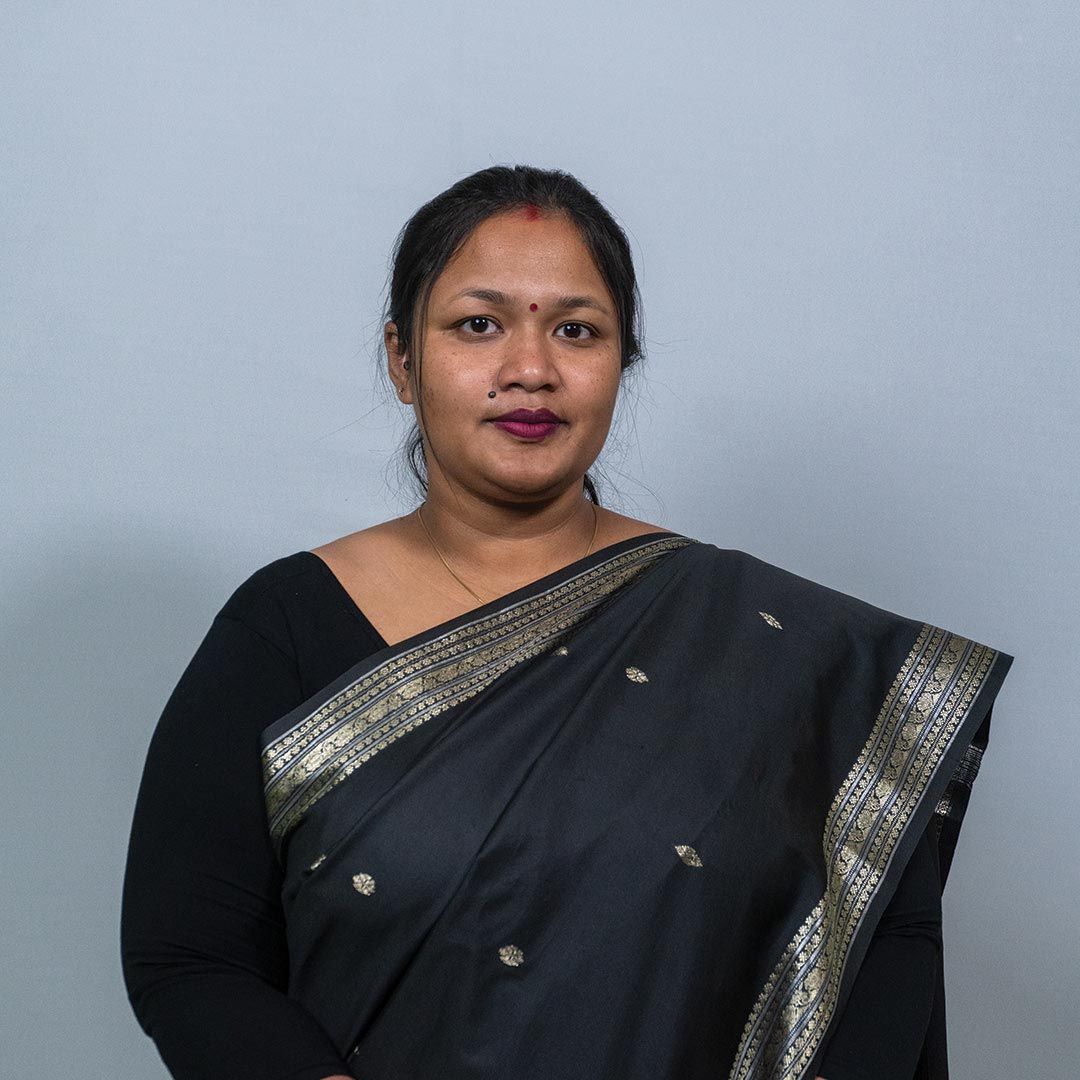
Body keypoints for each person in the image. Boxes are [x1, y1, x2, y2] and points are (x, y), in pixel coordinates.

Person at [121, 165, 1014, 1080]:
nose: (531, 371)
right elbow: (189, 958)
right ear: (401, 359)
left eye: (577, 331)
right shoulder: (284, 626)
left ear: (623, 361)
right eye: (479, 324)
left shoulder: (779, 648)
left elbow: (884, 936)